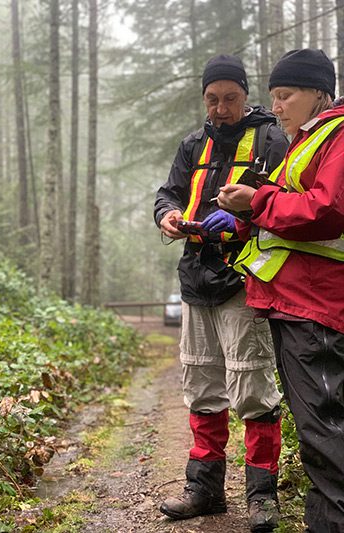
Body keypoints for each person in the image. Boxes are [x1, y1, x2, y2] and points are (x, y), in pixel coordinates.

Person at [153, 54, 289, 532]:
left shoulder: (272, 137)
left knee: (252, 387)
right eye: (212, 99)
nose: (221, 108)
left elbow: (285, 196)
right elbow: (167, 192)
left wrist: (243, 216)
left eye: (230, 98)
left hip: (244, 276)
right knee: (201, 385)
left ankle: (261, 496)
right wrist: (166, 216)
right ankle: (205, 489)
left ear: (246, 96)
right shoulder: (193, 144)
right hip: (195, 277)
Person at [217, 48, 344, 533]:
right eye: (273, 96)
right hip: (299, 306)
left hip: (321, 309)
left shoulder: (337, 136)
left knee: (326, 431)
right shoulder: (307, 141)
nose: (277, 106)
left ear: (318, 93)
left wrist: (259, 199)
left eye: (285, 95)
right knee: (318, 432)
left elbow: (326, 211)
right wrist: (247, 211)